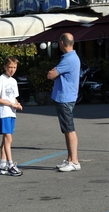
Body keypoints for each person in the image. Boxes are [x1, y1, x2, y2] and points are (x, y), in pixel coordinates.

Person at [47, 33, 81, 172]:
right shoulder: (71, 57)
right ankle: (69, 159)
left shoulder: (68, 59)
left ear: (62, 43)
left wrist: (54, 72)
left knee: (69, 129)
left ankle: (74, 161)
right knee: (67, 130)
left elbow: (51, 75)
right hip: (66, 97)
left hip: (65, 98)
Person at [0, 56, 23, 176]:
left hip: (11, 112)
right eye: (10, 67)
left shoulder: (13, 81)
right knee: (8, 138)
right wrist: (10, 104)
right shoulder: (1, 79)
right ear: (5, 67)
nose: (12, 70)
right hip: (4, 112)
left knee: (6, 139)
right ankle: (10, 164)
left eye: (14, 67)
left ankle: (2, 164)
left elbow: (13, 97)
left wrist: (17, 103)